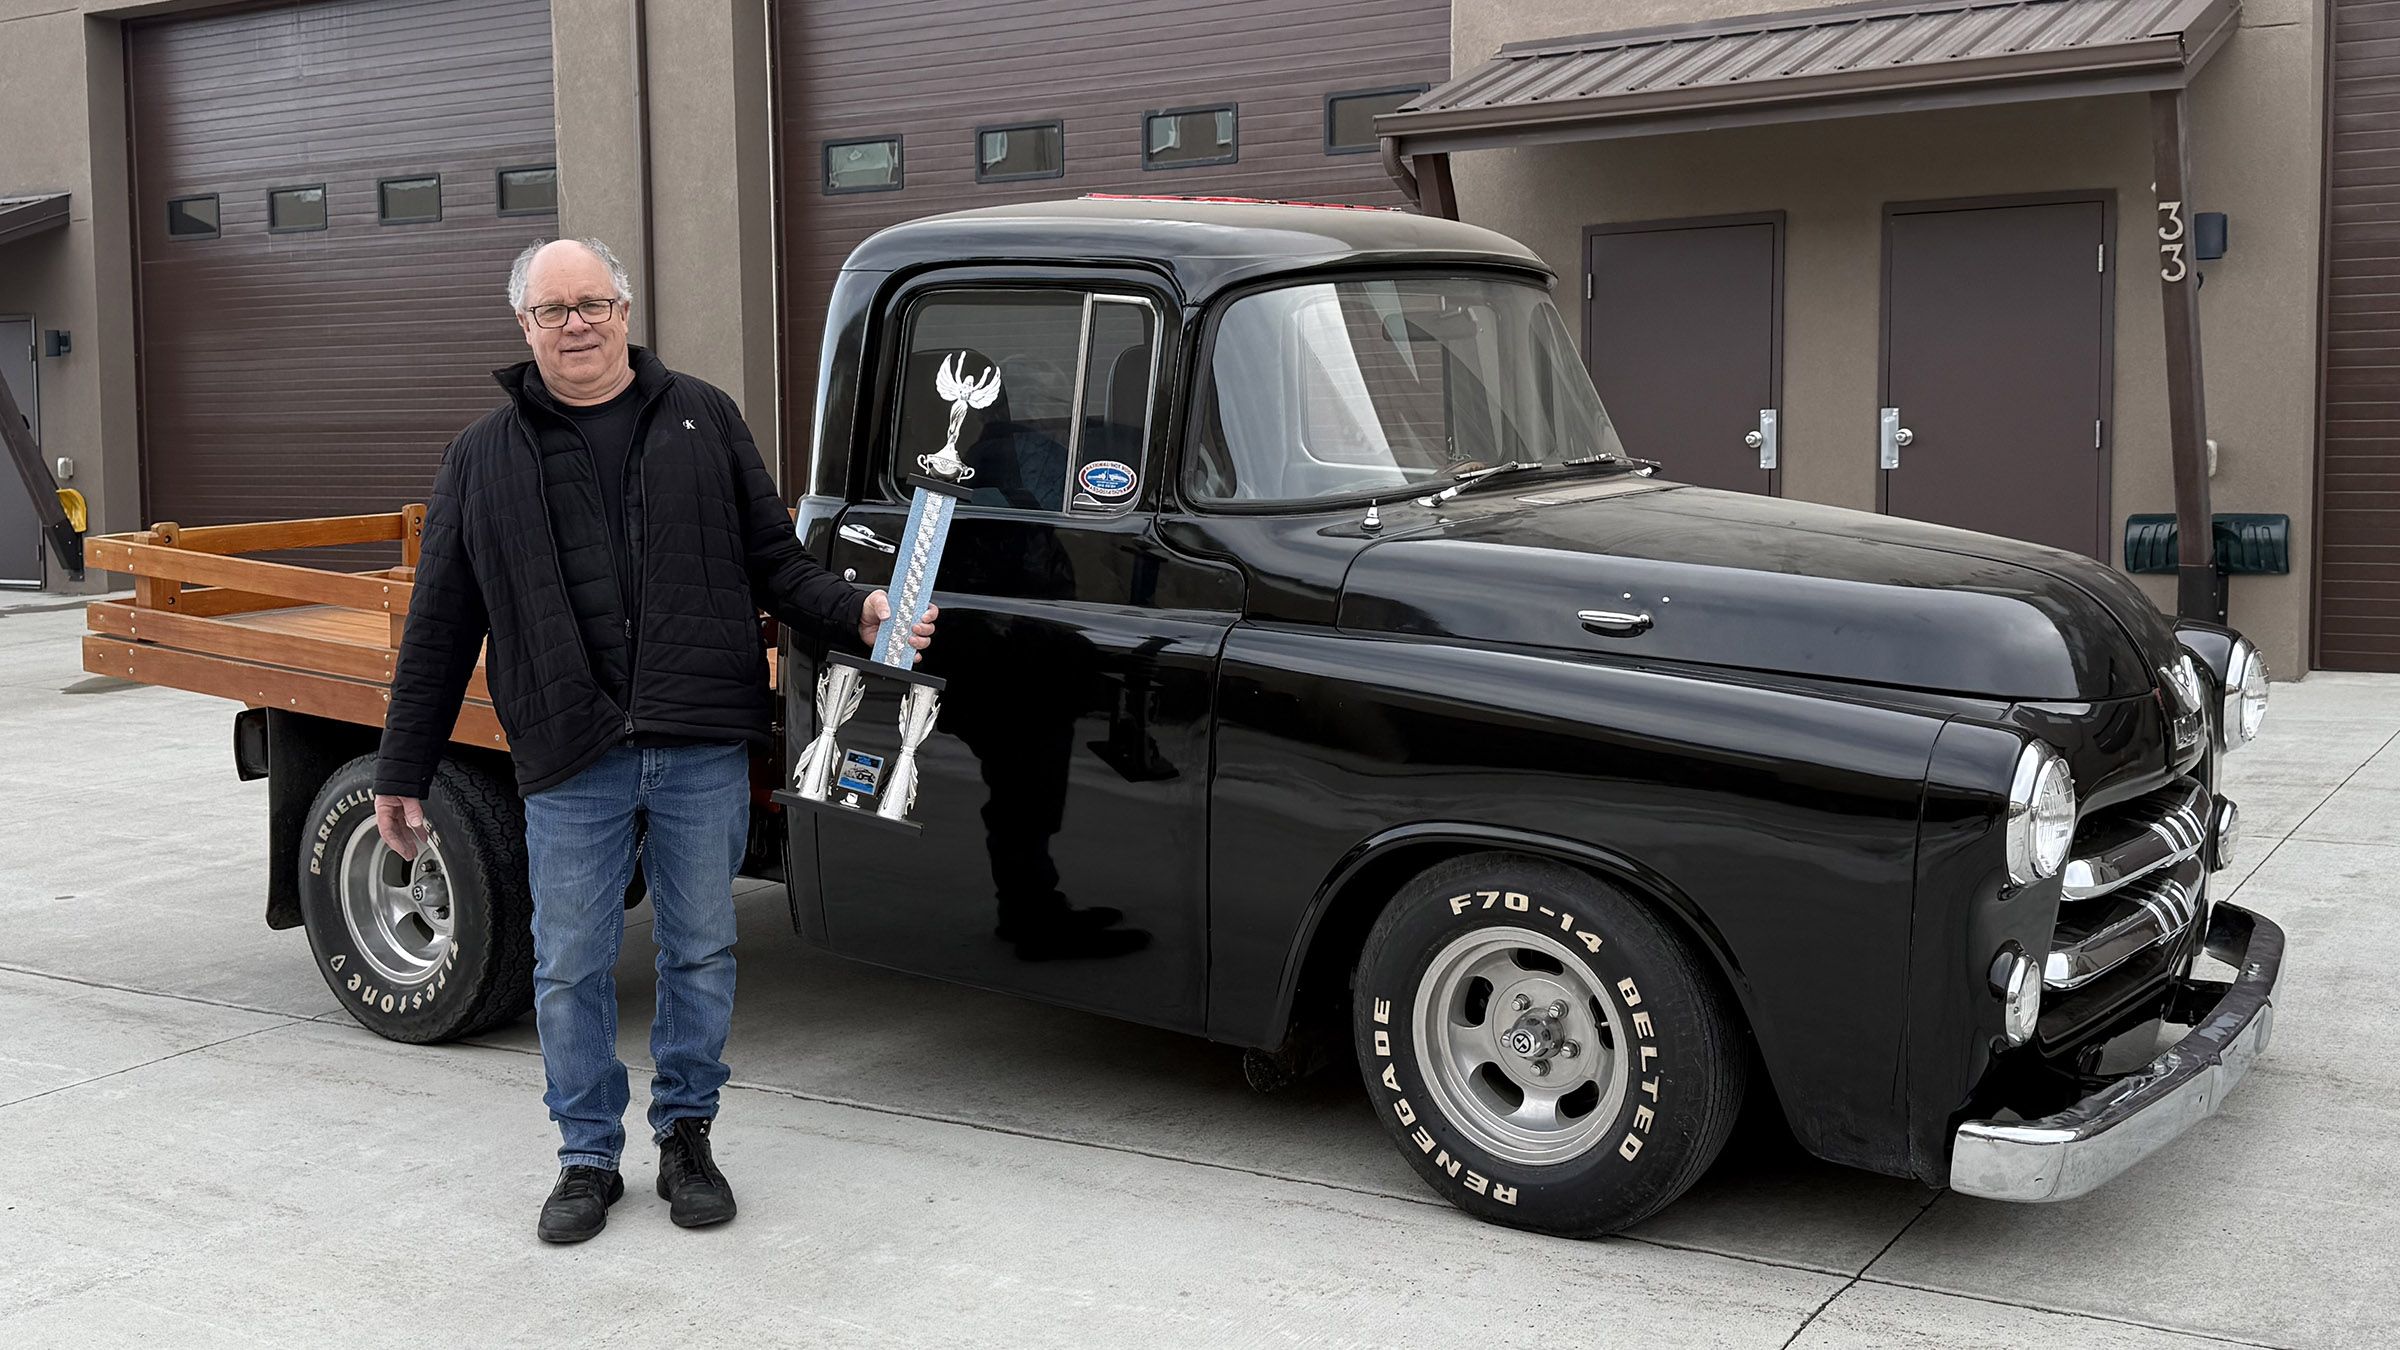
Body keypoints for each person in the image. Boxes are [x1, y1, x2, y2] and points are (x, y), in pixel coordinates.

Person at [370, 237, 934, 1245]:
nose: (576, 323)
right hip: (569, 745)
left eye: (593, 302)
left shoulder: (701, 419)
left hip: (698, 737)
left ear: (626, 310)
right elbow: (441, 623)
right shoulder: (482, 457)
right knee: (569, 961)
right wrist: (401, 768)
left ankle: (686, 1135)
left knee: (702, 949)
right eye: (554, 310)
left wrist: (858, 610)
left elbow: (775, 561)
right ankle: (587, 1156)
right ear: (525, 328)